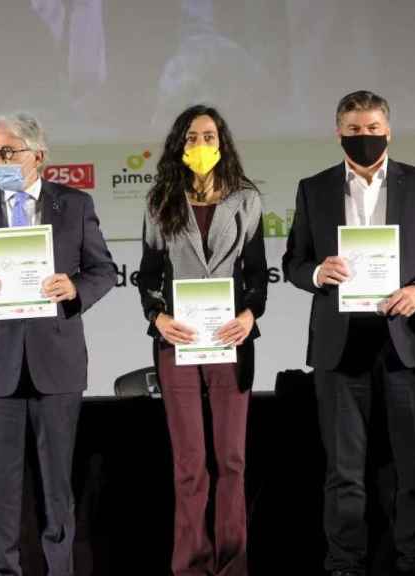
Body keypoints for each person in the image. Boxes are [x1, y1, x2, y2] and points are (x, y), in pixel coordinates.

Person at [283, 90, 415, 576]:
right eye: (353, 130)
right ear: (338, 131)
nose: (363, 137)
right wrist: (317, 274)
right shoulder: (313, 188)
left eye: (372, 129)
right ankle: (344, 565)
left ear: (388, 130)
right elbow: (293, 262)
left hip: (406, 343)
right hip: (340, 347)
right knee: (343, 473)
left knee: (412, 466)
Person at [0, 111, 116, 576]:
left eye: (9, 151)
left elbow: (103, 270)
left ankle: (60, 570)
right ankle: (3, 571)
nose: (0, 160)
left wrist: (76, 290)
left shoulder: (74, 205)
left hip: (55, 361)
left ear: (38, 155)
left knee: (57, 484)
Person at [138, 104, 267, 576]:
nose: (200, 145)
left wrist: (251, 314)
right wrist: (158, 318)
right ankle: (191, 566)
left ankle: (233, 565)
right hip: (180, 345)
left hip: (232, 342)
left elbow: (257, 275)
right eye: (191, 138)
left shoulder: (247, 199)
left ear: (222, 143)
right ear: (179, 145)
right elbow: (148, 275)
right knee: (191, 465)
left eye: (209, 136)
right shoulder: (160, 201)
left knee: (232, 461)